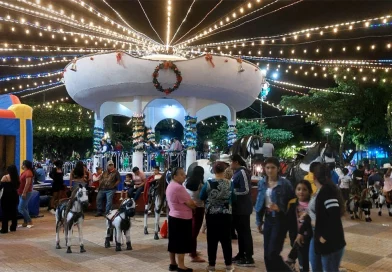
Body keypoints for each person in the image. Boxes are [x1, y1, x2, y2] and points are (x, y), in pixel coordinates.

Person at [255, 157, 294, 271]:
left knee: (273, 253)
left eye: (273, 167)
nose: (270, 170)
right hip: (267, 219)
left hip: (280, 220)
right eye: (267, 167)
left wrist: (281, 208)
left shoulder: (285, 183)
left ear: (278, 169)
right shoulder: (262, 182)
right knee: (267, 254)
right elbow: (259, 202)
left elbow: (293, 202)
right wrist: (258, 220)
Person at [309, 163, 346, 272]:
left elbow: (334, 216)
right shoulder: (321, 191)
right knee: (316, 267)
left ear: (314, 176)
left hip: (329, 242)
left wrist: (324, 237)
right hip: (319, 237)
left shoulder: (327, 191)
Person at [200, 162, 235, 272]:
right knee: (226, 241)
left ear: (214, 171)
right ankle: (228, 265)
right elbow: (234, 198)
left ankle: (211, 266)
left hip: (211, 215)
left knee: (212, 241)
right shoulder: (230, 183)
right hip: (226, 215)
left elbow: (202, 196)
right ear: (224, 170)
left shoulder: (208, 183)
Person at [166, 167, 196, 272]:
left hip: (173, 216)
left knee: (173, 241)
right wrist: (195, 205)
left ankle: (173, 263)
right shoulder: (179, 188)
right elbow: (190, 204)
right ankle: (181, 266)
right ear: (175, 176)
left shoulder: (170, 185)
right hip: (181, 218)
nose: (185, 176)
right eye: (182, 174)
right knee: (181, 242)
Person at [231, 154, 255, 266]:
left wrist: (232, 192)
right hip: (237, 208)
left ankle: (249, 256)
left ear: (236, 162)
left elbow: (245, 190)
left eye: (230, 162)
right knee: (240, 232)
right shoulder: (236, 173)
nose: (229, 165)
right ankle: (241, 254)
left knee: (245, 232)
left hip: (243, 207)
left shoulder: (242, 172)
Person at [285, 180, 313, 272]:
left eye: (304, 189)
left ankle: (291, 259)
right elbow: (288, 220)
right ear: (295, 191)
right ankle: (298, 265)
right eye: (299, 189)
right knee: (302, 257)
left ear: (309, 191)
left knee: (305, 256)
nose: (301, 192)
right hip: (295, 236)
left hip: (309, 236)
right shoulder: (292, 204)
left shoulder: (312, 204)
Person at [184, 165, 205, 263]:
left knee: (190, 230)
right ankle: (193, 254)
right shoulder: (201, 185)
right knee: (194, 232)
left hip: (187, 208)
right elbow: (203, 197)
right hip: (198, 209)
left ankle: (191, 250)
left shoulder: (186, 182)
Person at [0, 165, 20, 233]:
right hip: (14, 196)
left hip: (6, 197)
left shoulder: (5, 177)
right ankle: (13, 227)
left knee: (5, 213)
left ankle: (4, 229)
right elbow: (18, 186)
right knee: (14, 212)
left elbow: (1, 187)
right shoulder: (17, 178)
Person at [18, 160, 34, 228]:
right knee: (25, 208)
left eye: (22, 164)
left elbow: (28, 184)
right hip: (21, 192)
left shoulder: (29, 173)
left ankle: (30, 221)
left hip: (26, 193)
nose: (21, 165)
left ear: (25, 165)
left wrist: (24, 193)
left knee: (20, 208)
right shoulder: (24, 172)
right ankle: (25, 222)